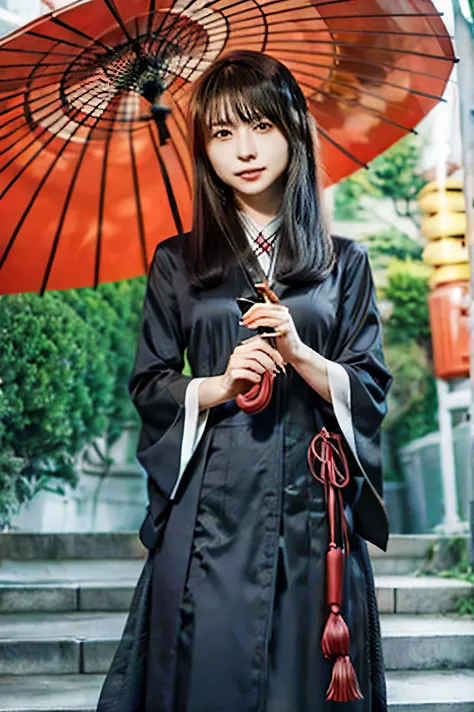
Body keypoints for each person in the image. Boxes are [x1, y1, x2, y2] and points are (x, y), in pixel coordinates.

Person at [97, 50, 393, 712]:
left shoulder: (344, 263)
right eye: (223, 133)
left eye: (260, 125)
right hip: (208, 512)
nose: (245, 149)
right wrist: (218, 384)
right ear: (204, 150)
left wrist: (302, 354)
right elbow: (149, 384)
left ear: (292, 129)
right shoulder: (177, 262)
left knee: (305, 686)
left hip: (313, 509)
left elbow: (369, 383)